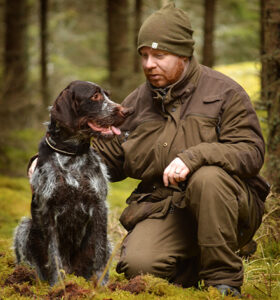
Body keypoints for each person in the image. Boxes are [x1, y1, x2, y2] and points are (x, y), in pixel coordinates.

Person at [28, 2, 269, 297]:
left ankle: (223, 281)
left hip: (228, 205)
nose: (148, 64)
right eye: (144, 55)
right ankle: (193, 261)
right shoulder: (138, 102)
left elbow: (251, 151)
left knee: (207, 177)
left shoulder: (225, 93)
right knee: (138, 266)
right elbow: (106, 158)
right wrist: (47, 161)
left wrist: (194, 157)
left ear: (183, 54)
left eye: (159, 55)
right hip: (166, 207)